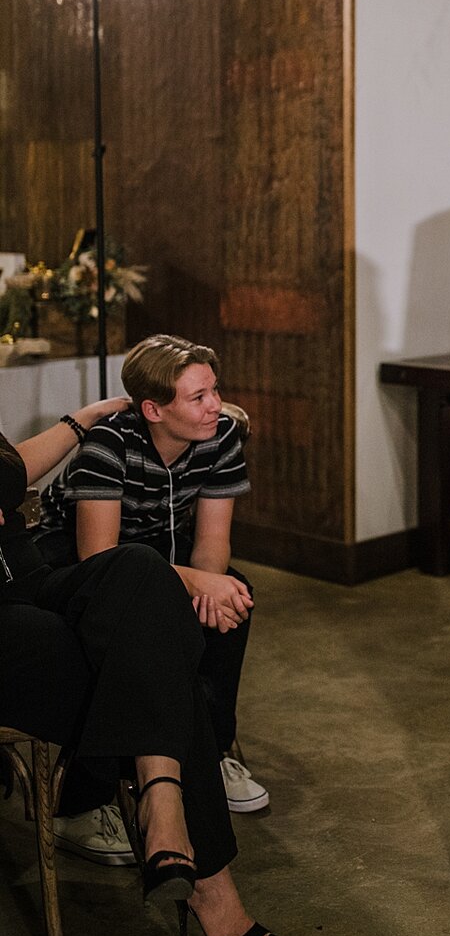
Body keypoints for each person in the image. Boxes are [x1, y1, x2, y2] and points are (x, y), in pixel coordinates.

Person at [0, 412, 277, 936]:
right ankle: (203, 876)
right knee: (155, 661)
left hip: (29, 581)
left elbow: (13, 470)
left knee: (140, 568)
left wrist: (90, 416)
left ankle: (160, 797)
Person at [35, 334, 268, 859]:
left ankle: (209, 750)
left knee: (233, 595)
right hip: (78, 562)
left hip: (157, 549)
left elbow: (211, 541)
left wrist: (206, 588)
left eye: (214, 390)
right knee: (126, 629)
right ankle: (87, 796)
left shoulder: (221, 433)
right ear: (153, 410)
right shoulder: (109, 445)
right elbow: (101, 558)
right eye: (198, 397)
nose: (216, 406)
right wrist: (188, 583)